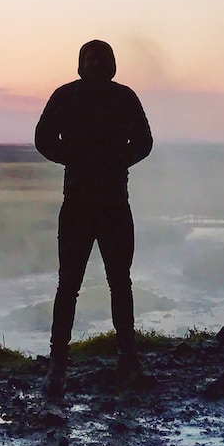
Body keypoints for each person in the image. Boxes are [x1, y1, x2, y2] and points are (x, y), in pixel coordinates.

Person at [33, 38, 153, 399]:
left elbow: (144, 142)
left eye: (103, 59)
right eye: (91, 59)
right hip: (80, 204)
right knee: (71, 285)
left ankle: (126, 359)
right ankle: (58, 365)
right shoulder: (66, 96)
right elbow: (43, 138)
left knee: (118, 282)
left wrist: (114, 161)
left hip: (112, 203)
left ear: (112, 64)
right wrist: (74, 157)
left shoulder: (124, 97)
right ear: (81, 64)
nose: (97, 64)